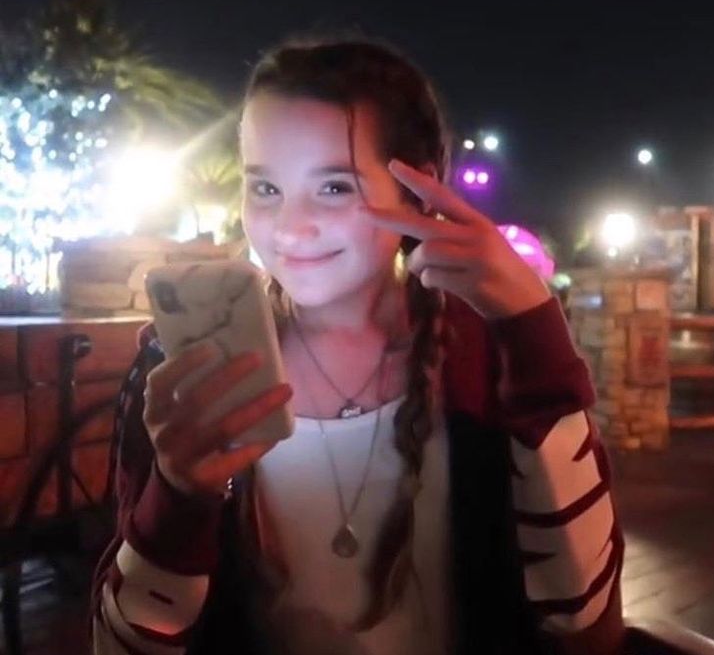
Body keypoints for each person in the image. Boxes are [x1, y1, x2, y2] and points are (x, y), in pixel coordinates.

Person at [91, 38, 625, 655]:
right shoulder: (189, 370)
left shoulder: (485, 357)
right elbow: (120, 644)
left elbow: (581, 617)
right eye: (265, 189)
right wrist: (179, 496)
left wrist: (533, 326)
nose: (290, 227)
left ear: (418, 191)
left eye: (335, 187)